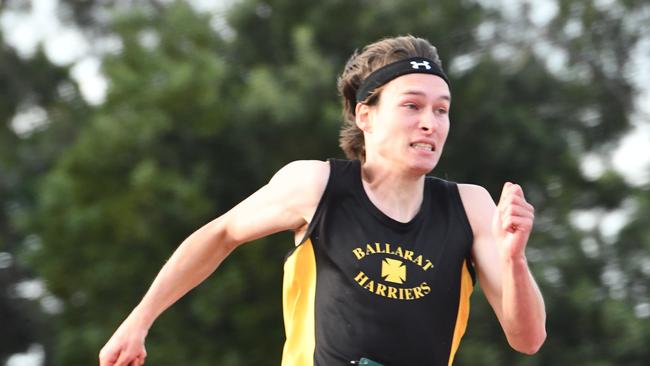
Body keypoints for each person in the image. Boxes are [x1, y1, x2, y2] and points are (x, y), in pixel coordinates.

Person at [99, 35, 546, 366]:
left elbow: (527, 339)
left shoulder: (470, 207)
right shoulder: (317, 186)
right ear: (365, 116)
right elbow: (218, 236)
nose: (430, 122)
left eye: (441, 109)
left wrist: (514, 259)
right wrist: (139, 320)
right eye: (412, 106)